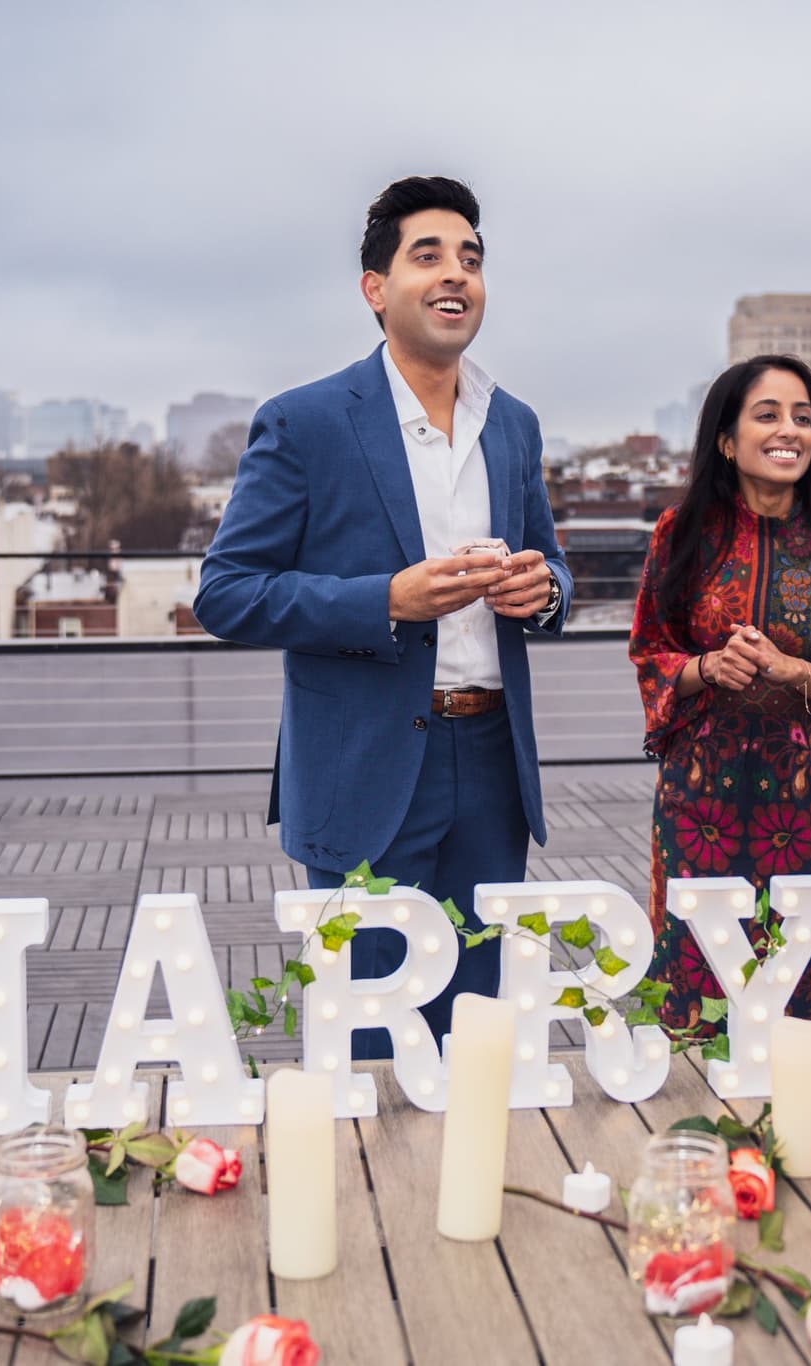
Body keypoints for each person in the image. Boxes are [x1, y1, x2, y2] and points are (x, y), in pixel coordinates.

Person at [194, 176, 570, 1054]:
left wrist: (543, 589)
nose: (456, 274)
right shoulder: (306, 421)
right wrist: (385, 601)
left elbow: (554, 562)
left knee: (480, 1040)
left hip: (489, 769)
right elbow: (226, 591)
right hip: (365, 768)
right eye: (428, 255)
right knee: (368, 1047)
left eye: (471, 259)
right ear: (376, 288)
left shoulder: (512, 424)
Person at [629, 356, 811, 1039]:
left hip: (810, 803)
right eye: (768, 414)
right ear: (727, 440)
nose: (790, 430)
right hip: (700, 805)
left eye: (803, 417)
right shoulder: (682, 535)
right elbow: (651, 650)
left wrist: (793, 672)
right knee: (698, 990)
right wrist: (706, 669)